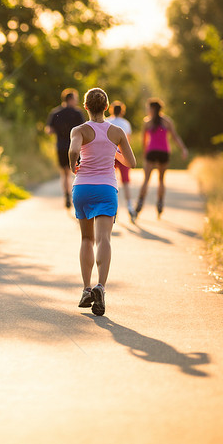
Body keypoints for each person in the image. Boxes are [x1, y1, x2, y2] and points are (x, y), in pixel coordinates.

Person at [69, 88, 137, 316]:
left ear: (86, 107)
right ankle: (101, 287)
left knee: (86, 239)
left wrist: (73, 166)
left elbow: (73, 151)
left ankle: (86, 289)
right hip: (107, 188)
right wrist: (113, 151)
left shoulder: (79, 130)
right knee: (104, 239)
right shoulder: (117, 131)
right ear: (106, 107)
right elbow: (132, 162)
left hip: (83, 187)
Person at [134, 98, 188, 219]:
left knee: (146, 179)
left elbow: (144, 142)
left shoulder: (147, 122)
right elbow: (175, 137)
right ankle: (159, 203)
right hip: (164, 152)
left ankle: (140, 203)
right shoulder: (167, 121)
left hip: (151, 152)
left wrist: (144, 153)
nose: (147, 110)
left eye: (148, 108)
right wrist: (183, 149)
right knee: (161, 180)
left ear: (152, 109)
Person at [45, 88, 86, 208]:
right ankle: (78, 196)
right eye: (75, 99)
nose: (77, 101)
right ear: (70, 99)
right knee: (78, 172)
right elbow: (84, 129)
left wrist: (58, 130)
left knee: (65, 173)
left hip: (61, 146)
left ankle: (67, 196)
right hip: (75, 147)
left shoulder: (55, 112)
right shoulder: (78, 113)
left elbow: (49, 130)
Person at [107, 100, 135, 220]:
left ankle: (114, 208)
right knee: (126, 181)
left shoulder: (107, 121)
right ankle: (129, 206)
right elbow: (127, 141)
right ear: (122, 111)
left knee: (112, 181)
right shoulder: (126, 123)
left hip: (111, 154)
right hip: (122, 153)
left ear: (111, 110)